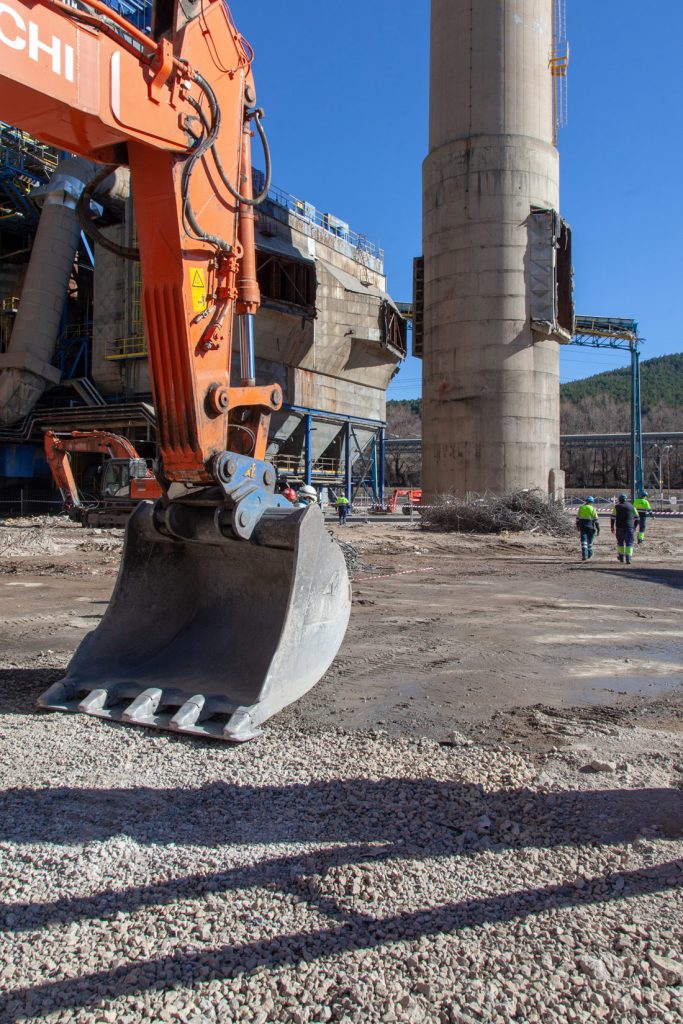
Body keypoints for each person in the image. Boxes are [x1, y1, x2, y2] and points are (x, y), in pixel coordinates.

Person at [610, 493, 638, 565]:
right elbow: (637, 518)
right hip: (630, 527)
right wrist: (634, 527)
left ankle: (621, 557)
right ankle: (628, 558)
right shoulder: (632, 506)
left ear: (619, 499)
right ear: (626, 499)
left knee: (620, 542)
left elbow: (613, 518)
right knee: (629, 543)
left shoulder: (616, 507)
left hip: (619, 527)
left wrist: (612, 527)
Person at [575, 495, 600, 561]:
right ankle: (590, 554)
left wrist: (577, 526)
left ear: (586, 501)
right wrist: (598, 529)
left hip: (582, 527)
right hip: (590, 527)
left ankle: (584, 555)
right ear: (592, 502)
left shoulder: (581, 508)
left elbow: (577, 518)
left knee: (584, 542)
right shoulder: (592, 508)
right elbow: (596, 520)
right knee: (590, 542)